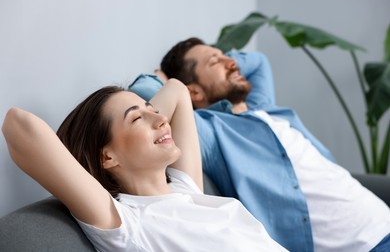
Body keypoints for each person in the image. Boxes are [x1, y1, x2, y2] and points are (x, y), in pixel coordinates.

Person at [128, 37, 390, 252]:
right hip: (364, 246)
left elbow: (259, 62)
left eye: (226, 56)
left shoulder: (263, 108)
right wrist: (160, 79)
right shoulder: (211, 130)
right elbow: (145, 94)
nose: (232, 62)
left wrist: (224, 61)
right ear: (193, 92)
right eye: (215, 61)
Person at [2, 79, 288, 251]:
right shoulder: (127, 224)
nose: (161, 119)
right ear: (107, 157)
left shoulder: (184, 188)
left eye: (154, 111)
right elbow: (18, 125)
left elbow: (177, 90)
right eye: (137, 119)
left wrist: (142, 116)